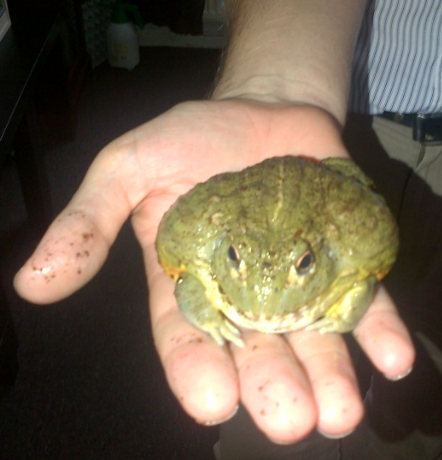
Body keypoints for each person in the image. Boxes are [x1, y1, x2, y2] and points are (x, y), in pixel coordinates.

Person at [13, 0, 442, 458]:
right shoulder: (216, 250)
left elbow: (361, 273)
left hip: (330, 192)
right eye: (234, 258)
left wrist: (343, 303)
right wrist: (271, 88)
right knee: (272, 427)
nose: (264, 292)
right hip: (346, 109)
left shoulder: (337, 251)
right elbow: (187, 275)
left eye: (303, 264)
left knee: (422, 392)